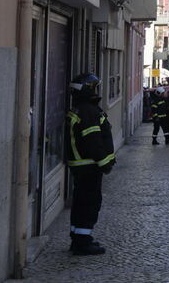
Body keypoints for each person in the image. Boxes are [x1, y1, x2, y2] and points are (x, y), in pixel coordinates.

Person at [65, 73, 115, 255]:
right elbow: (93, 142)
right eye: (94, 87)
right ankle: (83, 243)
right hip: (88, 167)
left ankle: (78, 237)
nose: (96, 91)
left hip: (82, 166)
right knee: (89, 203)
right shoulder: (88, 111)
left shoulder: (81, 109)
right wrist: (105, 164)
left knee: (81, 203)